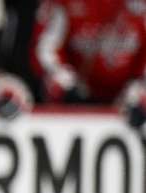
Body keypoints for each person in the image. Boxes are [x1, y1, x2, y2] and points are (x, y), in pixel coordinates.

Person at [32, 0, 146, 131]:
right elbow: (45, 48)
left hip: (129, 104)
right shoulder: (63, 4)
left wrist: (140, 90)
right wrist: (64, 83)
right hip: (75, 103)